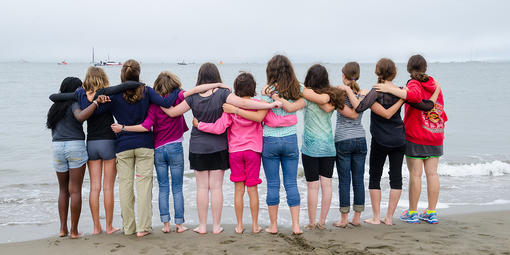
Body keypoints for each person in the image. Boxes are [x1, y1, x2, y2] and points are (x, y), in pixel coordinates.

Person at [160, 63, 282, 234]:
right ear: (217, 77)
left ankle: (202, 226)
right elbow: (245, 104)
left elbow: (173, 112)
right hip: (219, 146)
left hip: (197, 147)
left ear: (200, 77)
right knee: (216, 187)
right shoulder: (224, 94)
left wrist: (157, 102)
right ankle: (216, 227)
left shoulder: (193, 96)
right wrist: (269, 106)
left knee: (202, 188)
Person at [111, 71, 228, 233]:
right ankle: (179, 225)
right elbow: (196, 90)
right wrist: (218, 85)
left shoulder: (153, 104)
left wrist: (123, 127)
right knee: (177, 187)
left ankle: (166, 225)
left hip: (158, 149)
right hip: (175, 148)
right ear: (174, 83)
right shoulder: (179, 96)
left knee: (164, 187)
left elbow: (146, 126)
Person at [193, 72, 296, 234]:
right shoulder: (258, 104)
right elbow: (270, 120)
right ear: (253, 88)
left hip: (235, 152)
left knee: (238, 189)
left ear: (236, 89)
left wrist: (200, 125)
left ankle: (240, 225)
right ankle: (255, 226)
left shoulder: (230, 109)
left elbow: (219, 127)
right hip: (253, 151)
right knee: (252, 189)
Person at [344, 58, 440, 225]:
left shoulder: (376, 90)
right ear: (394, 73)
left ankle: (376, 217)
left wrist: (352, 92)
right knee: (395, 177)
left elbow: (359, 109)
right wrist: (436, 90)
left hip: (380, 140)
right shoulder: (402, 91)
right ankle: (388, 218)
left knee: (375, 176)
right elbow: (427, 106)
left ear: (377, 72)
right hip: (398, 139)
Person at [374, 55, 447, 224]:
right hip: (435, 132)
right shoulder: (434, 84)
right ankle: (431, 212)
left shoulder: (414, 83)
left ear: (408, 69)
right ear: (425, 67)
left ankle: (413, 212)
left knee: (416, 174)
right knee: (432, 174)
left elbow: (413, 97)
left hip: (417, 134)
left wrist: (391, 90)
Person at [46, 77, 110, 238]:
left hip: (57, 147)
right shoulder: (74, 103)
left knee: (63, 190)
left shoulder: (55, 107)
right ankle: (74, 231)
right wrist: (95, 103)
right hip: (74, 146)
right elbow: (81, 117)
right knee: (74, 191)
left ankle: (63, 229)